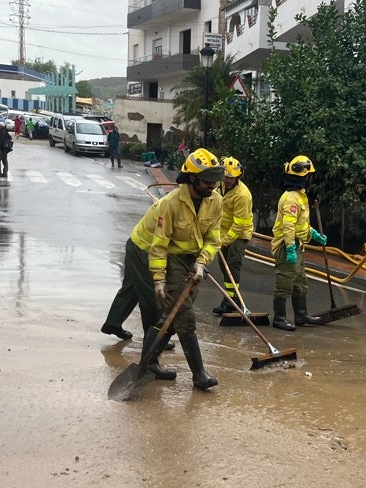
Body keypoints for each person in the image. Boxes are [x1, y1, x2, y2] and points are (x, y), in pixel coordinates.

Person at [101, 148, 223, 389]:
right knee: (162, 304)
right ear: (191, 178)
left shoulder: (215, 201)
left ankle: (150, 361)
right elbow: (158, 247)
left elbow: (213, 237)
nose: (212, 186)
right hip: (145, 248)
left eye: (214, 180)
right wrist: (158, 281)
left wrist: (201, 263)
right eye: (207, 181)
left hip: (180, 253)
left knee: (173, 310)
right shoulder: (171, 204)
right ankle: (196, 374)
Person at [271, 155, 325, 330]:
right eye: (308, 176)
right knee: (285, 283)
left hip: (298, 244)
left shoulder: (300, 196)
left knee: (300, 283)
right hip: (288, 246)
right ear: (303, 177)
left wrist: (313, 234)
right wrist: (290, 248)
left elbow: (301, 223)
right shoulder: (291, 198)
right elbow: (288, 226)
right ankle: (279, 318)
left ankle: (301, 315)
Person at [212, 156, 254, 315]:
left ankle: (232, 300)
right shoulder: (218, 187)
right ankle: (230, 298)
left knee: (233, 263)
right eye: (226, 177)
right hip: (222, 231)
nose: (228, 180)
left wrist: (224, 242)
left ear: (238, 176)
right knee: (223, 266)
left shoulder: (242, 195)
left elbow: (239, 225)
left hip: (240, 233)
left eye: (232, 177)